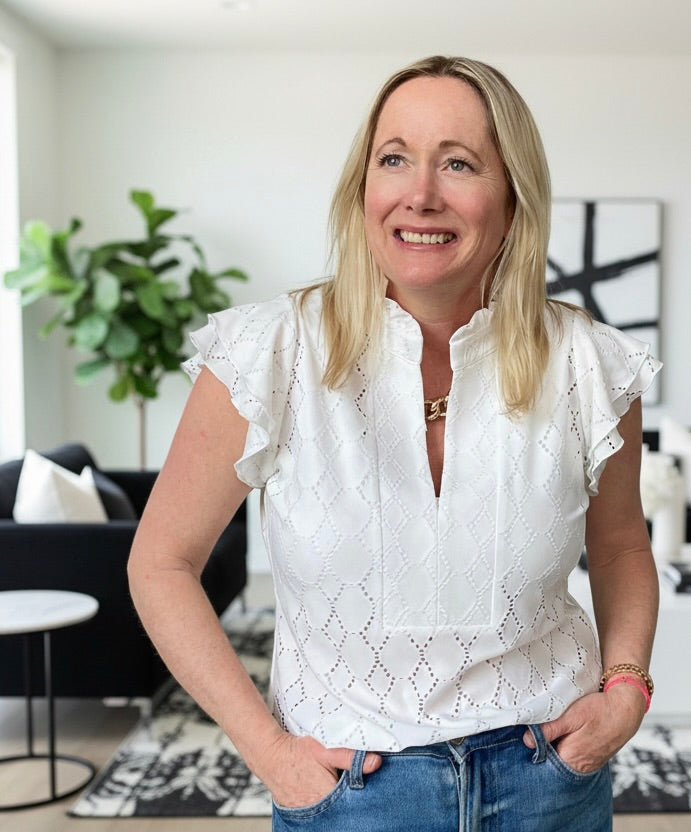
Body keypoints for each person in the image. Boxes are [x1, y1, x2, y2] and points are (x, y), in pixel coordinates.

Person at [128, 55, 661, 831]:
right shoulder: (268, 352)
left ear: (511, 198)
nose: (420, 193)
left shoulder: (591, 363)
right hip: (350, 794)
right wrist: (266, 750)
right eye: (394, 158)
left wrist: (625, 690)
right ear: (363, 189)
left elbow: (618, 550)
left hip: (549, 780)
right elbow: (161, 563)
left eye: (458, 163)